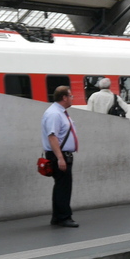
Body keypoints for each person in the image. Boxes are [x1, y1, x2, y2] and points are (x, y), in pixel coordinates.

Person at [42, 86, 79, 227]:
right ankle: (63, 217)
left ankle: (58, 216)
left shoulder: (59, 112)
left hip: (62, 154)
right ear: (64, 97)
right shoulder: (54, 114)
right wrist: (60, 158)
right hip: (60, 155)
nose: (72, 98)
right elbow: (52, 137)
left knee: (61, 186)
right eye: (71, 96)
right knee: (63, 187)